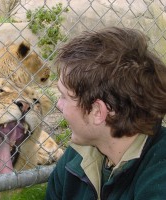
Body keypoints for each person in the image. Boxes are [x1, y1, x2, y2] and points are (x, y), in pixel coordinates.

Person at [46, 26, 166, 199]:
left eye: (64, 96)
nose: (58, 104)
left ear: (97, 111)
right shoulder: (77, 157)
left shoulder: (159, 177)